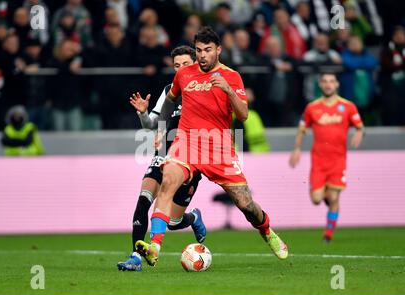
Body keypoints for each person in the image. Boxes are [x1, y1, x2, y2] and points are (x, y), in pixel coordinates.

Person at [135, 27, 288, 267]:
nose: (202, 55)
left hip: (219, 150)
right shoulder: (184, 74)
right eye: (198, 50)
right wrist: (163, 129)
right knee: (167, 183)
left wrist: (227, 90)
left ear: (218, 50)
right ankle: (155, 246)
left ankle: (266, 230)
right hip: (186, 142)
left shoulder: (232, 76)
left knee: (245, 205)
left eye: (207, 50)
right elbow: (171, 100)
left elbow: (244, 115)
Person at [117, 45, 206, 272]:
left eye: (185, 64)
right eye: (176, 65)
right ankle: (136, 257)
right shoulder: (170, 91)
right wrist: (143, 113)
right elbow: (151, 125)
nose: (180, 69)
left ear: (196, 62)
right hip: (164, 156)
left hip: (191, 160)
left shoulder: (206, 87)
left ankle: (193, 218)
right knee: (144, 199)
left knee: (173, 222)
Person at [289, 73, 364, 242]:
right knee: (316, 199)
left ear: (337, 84)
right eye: (324, 81)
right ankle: (330, 203)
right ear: (320, 85)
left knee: (334, 197)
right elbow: (302, 129)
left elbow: (360, 126)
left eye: (331, 81)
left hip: (338, 160)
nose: (328, 84)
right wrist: (297, 149)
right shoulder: (312, 108)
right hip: (319, 161)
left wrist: (359, 132)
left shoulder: (348, 106)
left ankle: (328, 235)